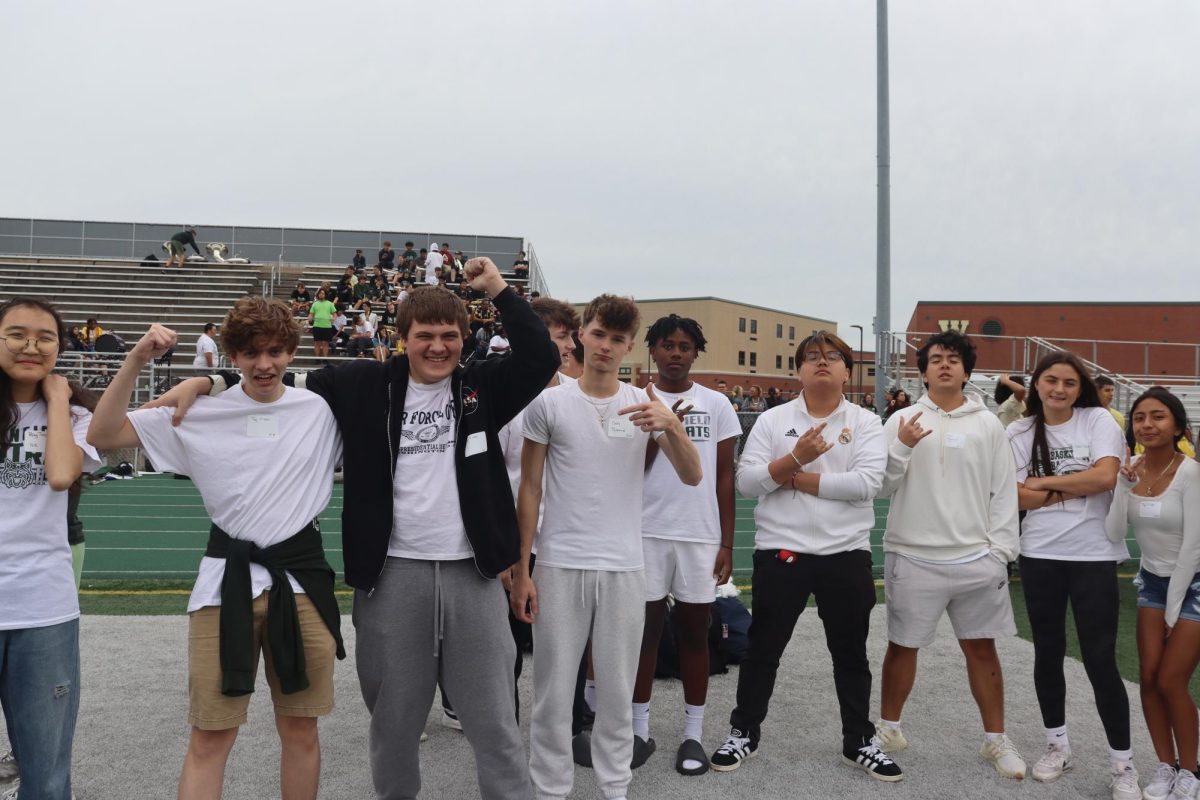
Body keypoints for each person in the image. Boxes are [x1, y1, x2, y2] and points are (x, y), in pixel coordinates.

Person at [149, 258, 560, 800]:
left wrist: (501, 291)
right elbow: (275, 375)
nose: (438, 348)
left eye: (450, 337)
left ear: (465, 339)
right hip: (391, 575)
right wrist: (208, 378)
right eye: (425, 337)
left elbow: (543, 357)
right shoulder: (362, 383)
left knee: (494, 720)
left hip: (474, 571)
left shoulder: (483, 386)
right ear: (401, 340)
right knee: (393, 722)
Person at [89, 299, 344, 800]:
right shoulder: (197, 410)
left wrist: (211, 380)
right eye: (250, 353)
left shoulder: (321, 410)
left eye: (274, 351)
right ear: (231, 353)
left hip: (301, 581)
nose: (264, 364)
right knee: (209, 735)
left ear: (291, 351)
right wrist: (137, 359)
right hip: (223, 586)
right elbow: (101, 436)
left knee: (301, 731)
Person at [510, 294, 702, 800]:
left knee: (616, 688)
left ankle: (615, 786)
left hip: (622, 566)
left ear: (630, 347)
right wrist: (522, 568)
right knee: (553, 689)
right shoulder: (549, 403)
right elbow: (530, 489)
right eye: (598, 334)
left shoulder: (644, 407)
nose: (605, 346)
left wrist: (673, 427)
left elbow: (692, 474)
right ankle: (551, 787)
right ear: (581, 336)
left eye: (617, 339)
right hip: (559, 562)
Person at [710, 331, 901, 781]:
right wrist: (796, 456)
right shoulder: (775, 420)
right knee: (763, 650)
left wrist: (793, 475)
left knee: (851, 654)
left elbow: (866, 486)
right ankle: (744, 732)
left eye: (832, 357)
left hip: (846, 555)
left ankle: (859, 740)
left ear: (846, 370)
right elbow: (748, 482)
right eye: (812, 357)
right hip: (783, 552)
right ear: (798, 369)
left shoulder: (866, 423)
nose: (822, 363)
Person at [875, 330, 1025, 780]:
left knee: (982, 650)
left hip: (975, 559)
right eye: (936, 358)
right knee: (901, 647)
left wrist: (1000, 552)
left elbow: (1003, 492)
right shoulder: (901, 419)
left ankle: (995, 739)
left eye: (953, 358)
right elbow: (881, 486)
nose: (944, 364)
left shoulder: (987, 424)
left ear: (965, 369)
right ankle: (888, 730)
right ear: (923, 370)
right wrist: (902, 446)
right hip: (912, 554)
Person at [1007, 351, 1139, 798]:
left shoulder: (1098, 420)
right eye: (1050, 381)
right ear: (1037, 384)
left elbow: (1104, 478)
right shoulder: (1019, 431)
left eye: (1068, 382)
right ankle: (1056, 744)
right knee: (1048, 651)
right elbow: (1016, 498)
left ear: (1078, 387)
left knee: (1101, 658)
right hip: (1040, 554)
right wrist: (1066, 486)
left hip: (1093, 555)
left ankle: (1123, 764)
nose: (1058, 389)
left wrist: (1043, 483)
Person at [0, 297, 102, 800]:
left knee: (46, 772)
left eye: (45, 337)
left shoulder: (78, 412)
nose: (30, 346)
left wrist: (58, 401)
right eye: (16, 334)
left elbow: (61, 474)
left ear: (61, 347)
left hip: (42, 606)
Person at [633, 315, 740, 776]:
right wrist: (664, 429)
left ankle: (693, 735)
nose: (675, 353)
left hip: (699, 536)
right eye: (666, 345)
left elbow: (723, 477)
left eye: (684, 346)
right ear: (652, 350)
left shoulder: (716, 404)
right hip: (645, 532)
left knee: (696, 634)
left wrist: (727, 543)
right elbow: (631, 468)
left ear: (696, 353)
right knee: (645, 635)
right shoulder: (636, 400)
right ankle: (638, 732)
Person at [1106, 388, 1200, 800]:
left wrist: (1171, 613)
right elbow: (1112, 536)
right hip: (1152, 581)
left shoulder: (1192, 474)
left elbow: (1193, 549)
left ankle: (1192, 772)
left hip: (1193, 581)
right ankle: (1165, 766)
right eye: (1140, 417)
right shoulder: (1133, 471)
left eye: (1158, 416)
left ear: (1177, 425)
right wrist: (1122, 488)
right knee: (1147, 678)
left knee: (1171, 679)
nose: (1148, 424)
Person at [307, 289, 337, 359]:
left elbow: (335, 314)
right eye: (320, 293)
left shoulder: (330, 304)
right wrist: (309, 319)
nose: (321, 295)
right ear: (318, 294)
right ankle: (317, 358)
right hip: (317, 326)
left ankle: (325, 359)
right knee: (317, 343)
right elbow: (311, 314)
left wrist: (333, 319)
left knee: (325, 343)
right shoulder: (315, 304)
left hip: (327, 326)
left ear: (325, 295)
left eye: (323, 293)